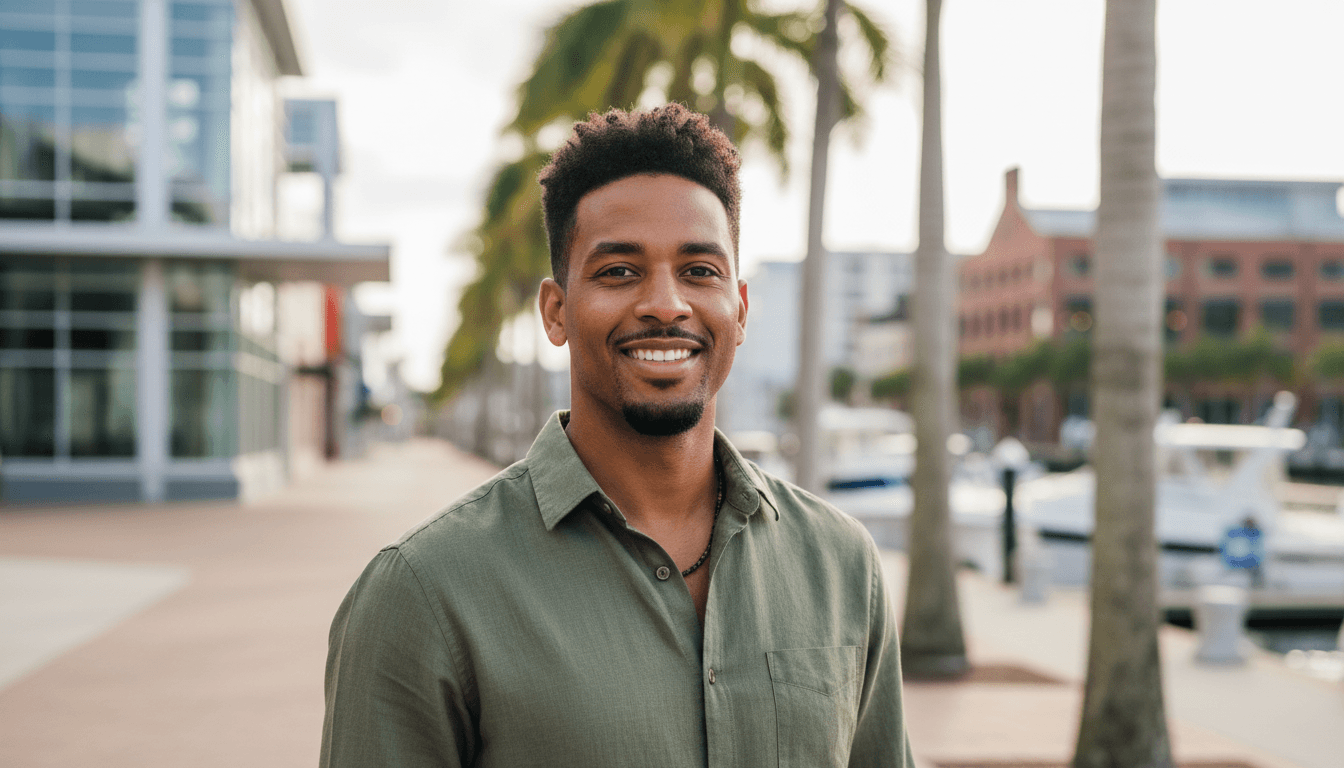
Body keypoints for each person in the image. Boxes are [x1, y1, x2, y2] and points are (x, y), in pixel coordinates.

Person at [321, 104, 914, 767]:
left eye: (700, 271)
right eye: (619, 272)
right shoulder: (424, 592)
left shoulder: (841, 565)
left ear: (740, 310)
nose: (666, 303)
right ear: (556, 310)